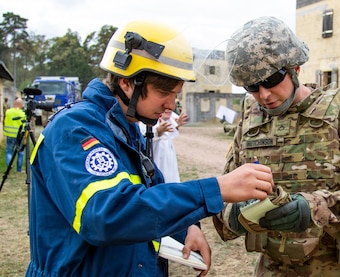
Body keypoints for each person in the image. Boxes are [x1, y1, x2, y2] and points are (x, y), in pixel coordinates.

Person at [25, 20, 274, 277]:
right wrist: (217, 188)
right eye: (163, 92)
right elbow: (107, 216)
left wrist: (187, 228)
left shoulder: (127, 126)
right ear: (127, 83)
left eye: (176, 93)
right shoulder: (74, 128)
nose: (171, 104)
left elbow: (150, 193)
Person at [213, 16, 340, 276]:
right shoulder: (251, 119)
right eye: (252, 86)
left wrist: (316, 209)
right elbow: (223, 195)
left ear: (295, 68)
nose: (263, 95)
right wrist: (235, 214)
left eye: (272, 80)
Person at [139, 109, 188, 183]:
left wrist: (176, 125)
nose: (169, 109)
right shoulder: (147, 122)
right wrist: (157, 131)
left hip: (169, 166)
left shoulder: (168, 119)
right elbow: (143, 139)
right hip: (156, 165)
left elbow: (170, 134)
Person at [3, 97, 26, 172]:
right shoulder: (23, 113)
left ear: (14, 104)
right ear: (21, 105)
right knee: (21, 152)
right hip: (20, 135)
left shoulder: (8, 112)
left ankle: (9, 167)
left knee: (9, 151)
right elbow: (25, 125)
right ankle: (19, 169)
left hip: (9, 134)